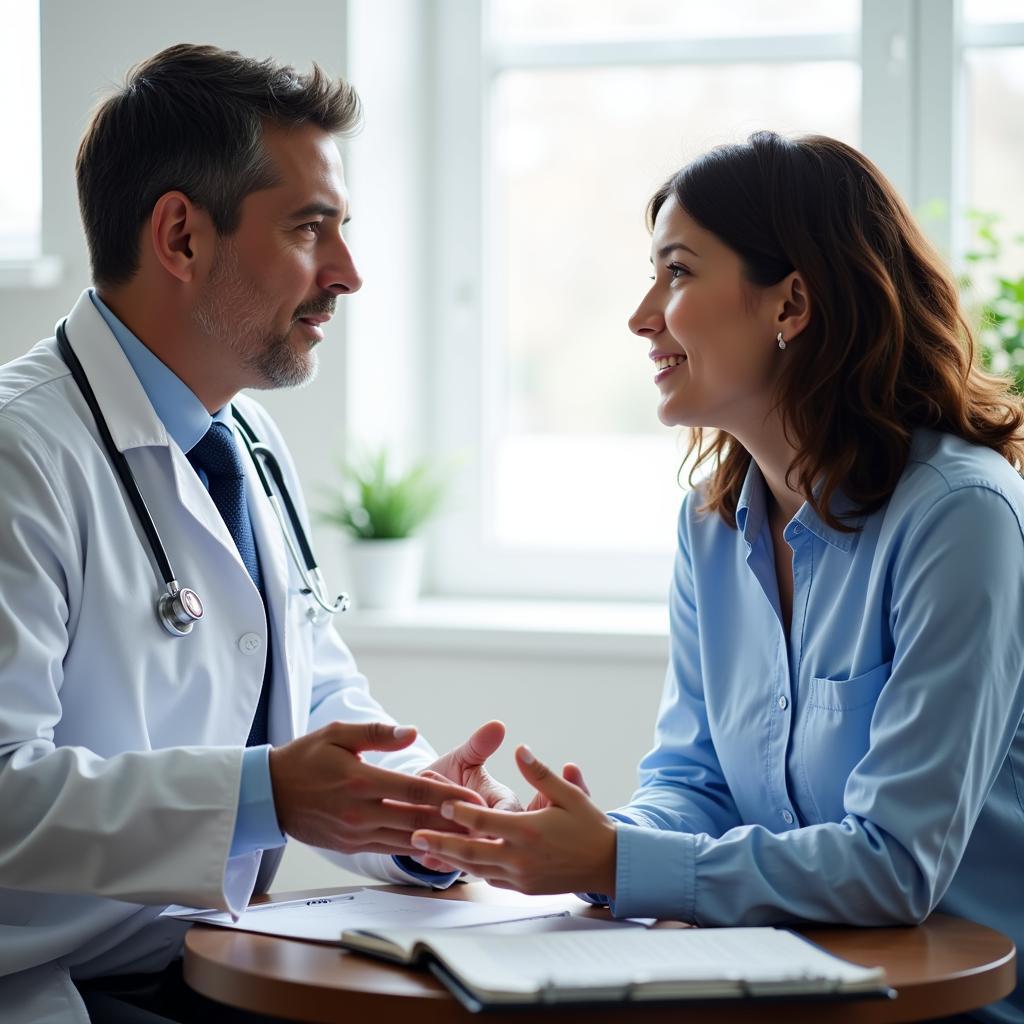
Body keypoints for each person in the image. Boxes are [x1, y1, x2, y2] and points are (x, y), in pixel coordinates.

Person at [409, 132, 1024, 1024]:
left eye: (679, 274)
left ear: (793, 302)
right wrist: (576, 837)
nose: (642, 315)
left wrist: (613, 865)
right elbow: (696, 782)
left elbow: (898, 864)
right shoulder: (711, 525)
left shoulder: (959, 515)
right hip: (787, 988)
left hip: (951, 1010)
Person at [0, 44, 517, 1024]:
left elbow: (313, 694)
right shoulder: (20, 455)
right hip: (56, 985)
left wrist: (420, 813)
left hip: (214, 959)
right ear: (182, 237)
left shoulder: (245, 437)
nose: (349, 273)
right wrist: (262, 796)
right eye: (309, 229)